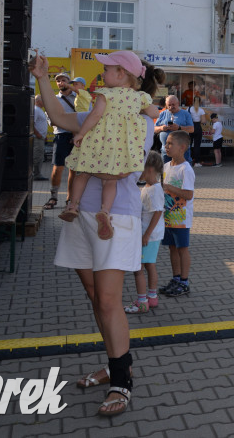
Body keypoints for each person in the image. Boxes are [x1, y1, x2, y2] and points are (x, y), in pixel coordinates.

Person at [28, 53, 162, 417]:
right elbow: (58, 116)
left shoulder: (135, 115)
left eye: (108, 69)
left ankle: (122, 379)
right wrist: (42, 78)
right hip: (80, 213)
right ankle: (116, 363)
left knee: (107, 300)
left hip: (115, 215)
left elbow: (129, 162)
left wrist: (90, 127)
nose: (102, 74)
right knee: (94, 295)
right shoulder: (99, 109)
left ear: (125, 76)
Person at [60, 51, 157, 240]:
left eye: (106, 70)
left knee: (83, 172)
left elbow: (94, 116)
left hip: (99, 143)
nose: (102, 74)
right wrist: (140, 105)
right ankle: (105, 211)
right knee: (110, 180)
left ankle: (73, 205)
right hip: (120, 150)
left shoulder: (105, 94)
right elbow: (153, 112)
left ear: (121, 73)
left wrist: (80, 134)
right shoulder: (139, 97)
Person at [125, 151, 165, 315]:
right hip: (151, 235)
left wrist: (146, 235)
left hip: (148, 236)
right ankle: (152, 297)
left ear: (149, 169)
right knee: (149, 265)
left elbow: (157, 212)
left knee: (138, 269)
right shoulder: (149, 188)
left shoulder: (154, 190)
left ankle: (142, 302)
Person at [158, 131, 195, 297]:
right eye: (166, 144)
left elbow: (188, 195)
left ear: (182, 148)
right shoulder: (166, 167)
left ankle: (185, 282)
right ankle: (176, 278)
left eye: (170, 144)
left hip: (181, 219)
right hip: (168, 217)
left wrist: (168, 187)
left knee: (182, 249)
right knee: (172, 248)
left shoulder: (186, 169)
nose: (167, 147)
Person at [45, 71, 79, 212]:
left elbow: (86, 116)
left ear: (69, 82)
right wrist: (67, 124)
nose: (60, 83)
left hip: (77, 136)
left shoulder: (78, 98)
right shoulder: (54, 100)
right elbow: (52, 121)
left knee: (74, 170)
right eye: (58, 81)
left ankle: (70, 198)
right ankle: (53, 197)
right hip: (61, 136)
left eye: (63, 80)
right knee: (57, 168)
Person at [154, 96, 193, 164]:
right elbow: (154, 129)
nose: (171, 106)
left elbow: (191, 129)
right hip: (166, 150)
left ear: (178, 103)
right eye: (169, 105)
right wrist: (161, 128)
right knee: (166, 172)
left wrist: (179, 128)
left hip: (182, 149)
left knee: (183, 170)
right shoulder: (162, 114)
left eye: (173, 104)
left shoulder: (185, 114)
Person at [32, 95, 48, 180]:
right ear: (38, 101)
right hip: (37, 138)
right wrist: (37, 134)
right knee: (37, 156)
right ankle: (36, 174)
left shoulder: (39, 110)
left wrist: (44, 136)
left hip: (40, 137)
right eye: (43, 100)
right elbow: (32, 123)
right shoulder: (36, 110)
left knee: (40, 156)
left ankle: (37, 173)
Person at [189, 95, 206, 165]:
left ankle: (188, 160)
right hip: (198, 127)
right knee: (197, 145)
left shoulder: (189, 109)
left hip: (190, 127)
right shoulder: (201, 110)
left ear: (193, 101)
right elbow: (203, 121)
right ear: (200, 102)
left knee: (188, 145)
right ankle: (197, 162)